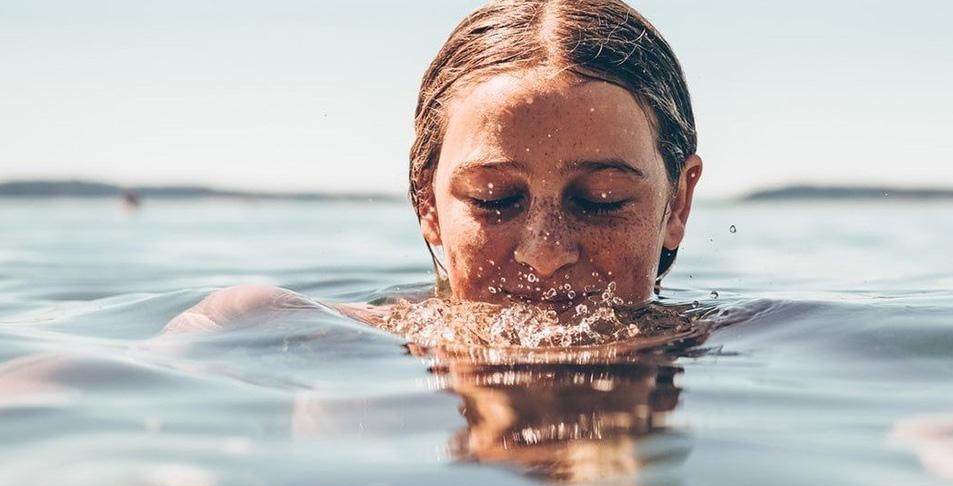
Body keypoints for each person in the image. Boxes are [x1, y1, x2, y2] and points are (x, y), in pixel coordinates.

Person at [162, 0, 704, 343]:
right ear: (429, 207)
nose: (544, 251)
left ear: (676, 204)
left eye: (601, 199)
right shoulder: (281, 329)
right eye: (494, 198)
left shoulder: (758, 342)